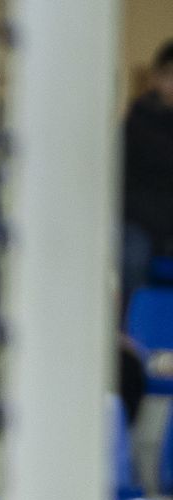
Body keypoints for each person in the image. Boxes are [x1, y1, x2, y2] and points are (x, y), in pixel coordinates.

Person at [122, 40, 173, 304]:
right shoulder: (138, 121)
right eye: (169, 75)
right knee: (131, 258)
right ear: (157, 78)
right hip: (141, 222)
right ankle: (129, 322)